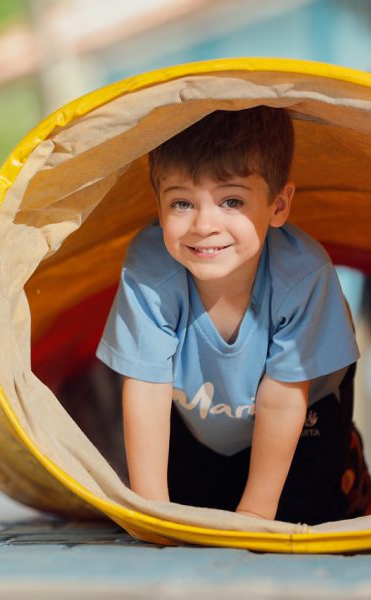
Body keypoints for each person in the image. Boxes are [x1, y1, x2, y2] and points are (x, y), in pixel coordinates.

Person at [97, 106, 371, 524]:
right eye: (182, 202)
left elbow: (282, 401)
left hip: (306, 403)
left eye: (231, 200)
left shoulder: (301, 274)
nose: (204, 224)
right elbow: (146, 388)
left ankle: (348, 469)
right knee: (195, 509)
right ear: (157, 205)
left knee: (305, 515)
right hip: (202, 412)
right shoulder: (151, 269)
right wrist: (151, 511)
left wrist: (257, 512)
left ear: (278, 205)